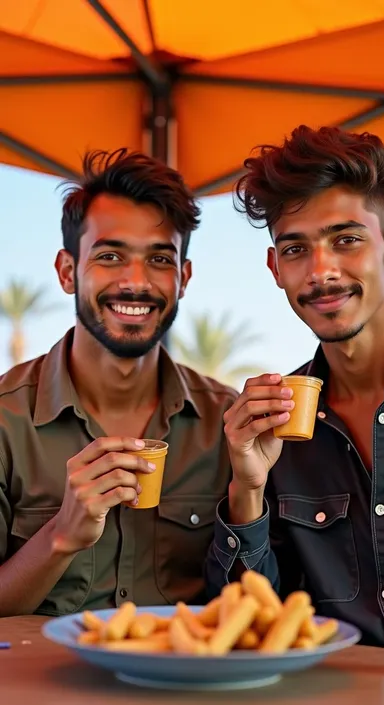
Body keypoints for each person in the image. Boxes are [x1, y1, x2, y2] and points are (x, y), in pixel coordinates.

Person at [206, 126, 384, 657]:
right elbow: (250, 627)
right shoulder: (270, 427)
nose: (321, 271)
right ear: (275, 268)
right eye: (296, 249)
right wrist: (248, 489)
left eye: (346, 240)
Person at [0, 149, 236, 617]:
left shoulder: (226, 424)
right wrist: (61, 534)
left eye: (159, 259)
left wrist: (249, 490)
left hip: (181, 688)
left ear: (183, 278)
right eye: (110, 256)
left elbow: (253, 602)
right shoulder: (6, 420)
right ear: (68, 272)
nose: (135, 281)